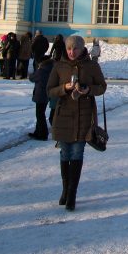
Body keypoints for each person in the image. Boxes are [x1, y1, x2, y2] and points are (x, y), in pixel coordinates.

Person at [47, 35, 107, 211]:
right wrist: (64, 88)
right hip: (63, 115)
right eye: (69, 49)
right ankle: (65, 190)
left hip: (83, 115)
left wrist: (88, 89)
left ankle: (72, 193)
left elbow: (102, 87)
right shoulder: (59, 66)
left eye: (75, 49)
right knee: (65, 154)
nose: (72, 52)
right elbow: (49, 90)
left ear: (82, 49)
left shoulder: (91, 66)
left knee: (77, 153)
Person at [28, 43, 63, 141]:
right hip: (48, 95)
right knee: (41, 114)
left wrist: (36, 71)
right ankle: (38, 131)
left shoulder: (42, 70)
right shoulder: (52, 68)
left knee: (40, 115)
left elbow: (32, 78)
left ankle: (42, 133)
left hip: (40, 95)